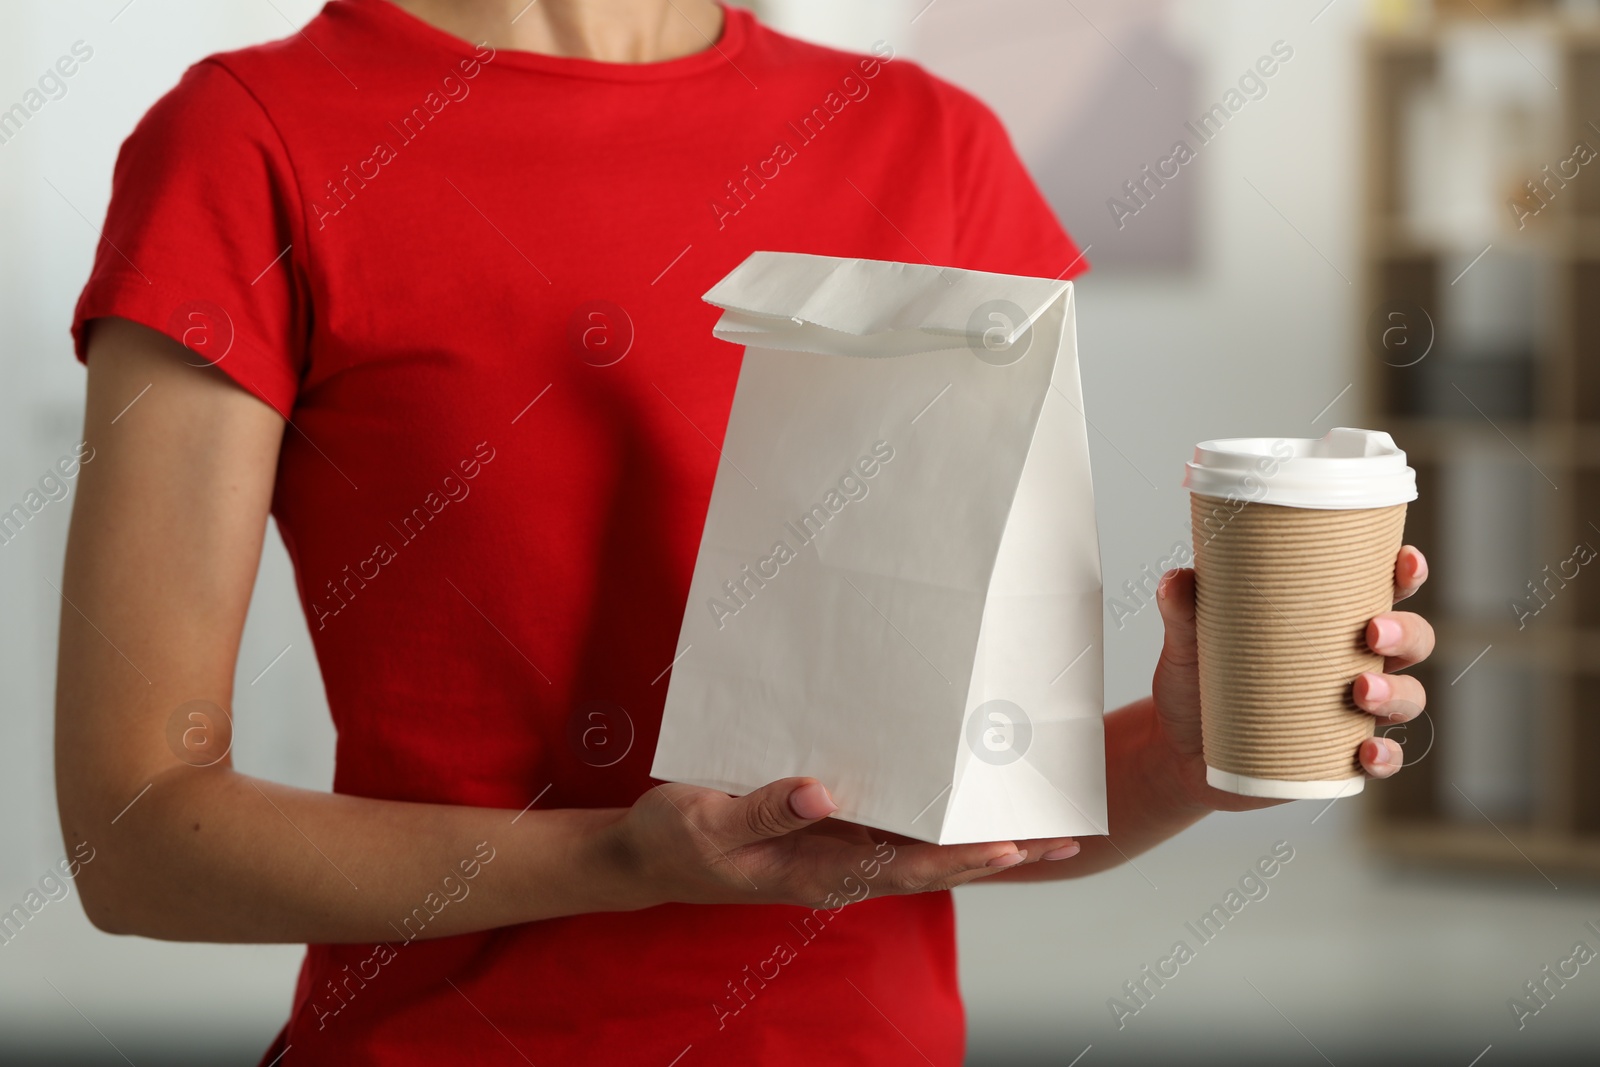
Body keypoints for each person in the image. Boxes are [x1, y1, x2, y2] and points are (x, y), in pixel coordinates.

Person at [55, 1, 1435, 1064]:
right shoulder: (252, 141)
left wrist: (1187, 750)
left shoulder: (924, 142)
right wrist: (623, 862)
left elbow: (984, 797)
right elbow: (138, 837)